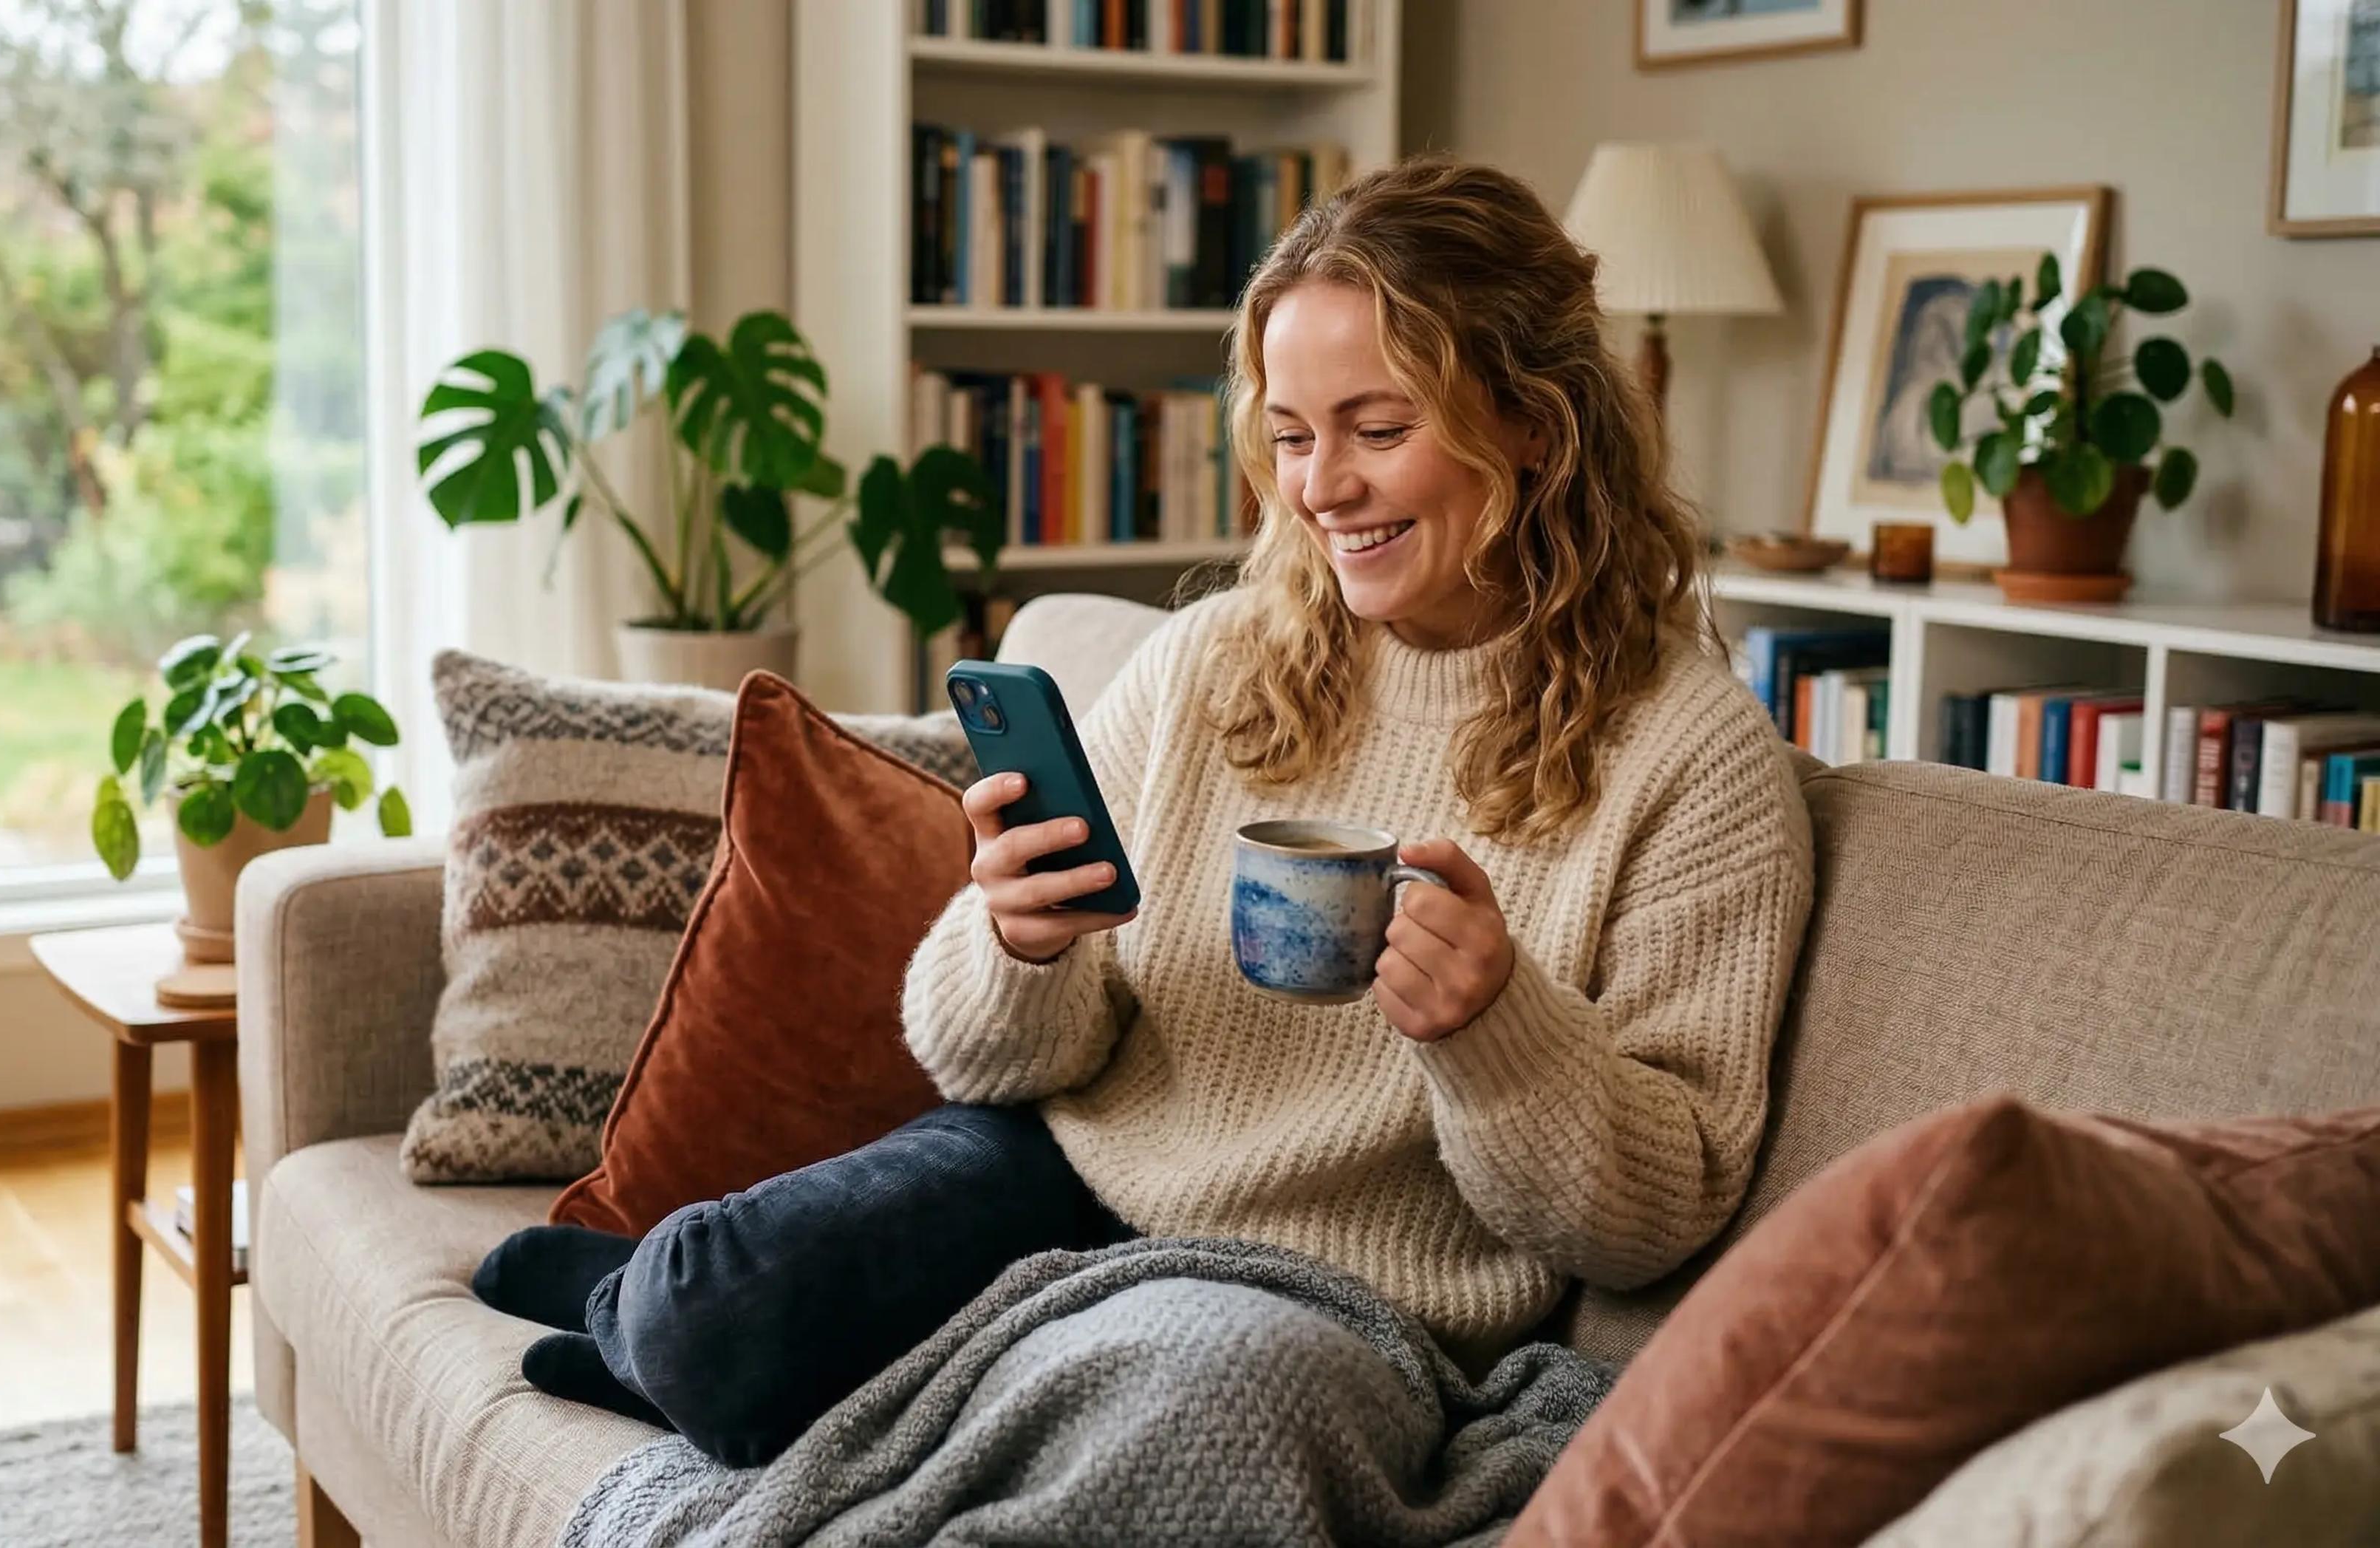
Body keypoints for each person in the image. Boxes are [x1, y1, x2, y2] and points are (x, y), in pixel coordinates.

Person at [473, 153, 1815, 1470]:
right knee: (710, 1302)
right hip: (1069, 1173)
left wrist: (1495, 1028)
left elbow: (1661, 1214)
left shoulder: (1692, 759)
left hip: (1326, 1287)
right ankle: (647, 1309)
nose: (1320, 488)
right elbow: (982, 1062)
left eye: (1381, 429)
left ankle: (684, 1333)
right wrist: (1021, 941)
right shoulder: (1216, 659)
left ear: (1536, 421)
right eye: (1291, 436)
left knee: (810, 1355)